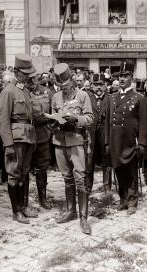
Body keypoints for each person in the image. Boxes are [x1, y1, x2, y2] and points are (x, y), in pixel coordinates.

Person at [50, 63, 94, 235]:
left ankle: (84, 218)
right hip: (59, 141)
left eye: (66, 84)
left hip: (76, 140)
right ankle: (71, 211)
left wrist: (76, 119)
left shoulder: (82, 95)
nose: (63, 88)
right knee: (67, 178)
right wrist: (53, 122)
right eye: (60, 85)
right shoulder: (55, 97)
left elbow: (89, 118)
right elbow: (53, 115)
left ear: (72, 81)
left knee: (80, 178)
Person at [0, 53, 37, 224]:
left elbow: (30, 118)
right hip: (16, 139)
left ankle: (23, 206)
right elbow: (2, 120)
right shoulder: (8, 91)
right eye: (24, 72)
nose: (27, 76)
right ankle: (16, 211)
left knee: (24, 173)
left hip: (28, 138)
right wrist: (9, 144)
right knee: (14, 174)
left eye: (29, 73)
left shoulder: (25, 91)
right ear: (15, 71)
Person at [104, 61, 147, 215]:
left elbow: (144, 123)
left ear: (132, 77)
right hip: (115, 140)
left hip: (130, 141)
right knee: (118, 171)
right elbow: (108, 122)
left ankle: (132, 202)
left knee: (131, 172)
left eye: (125, 76)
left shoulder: (138, 98)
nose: (122, 79)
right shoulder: (113, 97)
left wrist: (142, 143)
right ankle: (123, 200)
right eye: (120, 76)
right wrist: (106, 141)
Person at [26, 71, 53, 210]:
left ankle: (43, 197)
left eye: (34, 77)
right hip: (26, 133)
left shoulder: (46, 92)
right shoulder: (21, 92)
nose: (32, 80)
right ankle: (23, 201)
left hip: (42, 133)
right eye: (29, 78)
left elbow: (54, 111)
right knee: (24, 167)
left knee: (42, 167)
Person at [86, 73, 112, 193]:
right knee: (89, 161)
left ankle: (107, 186)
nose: (98, 87)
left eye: (101, 85)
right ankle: (88, 186)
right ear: (91, 86)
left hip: (105, 134)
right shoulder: (87, 99)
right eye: (96, 85)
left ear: (105, 86)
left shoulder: (110, 99)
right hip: (90, 134)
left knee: (107, 160)